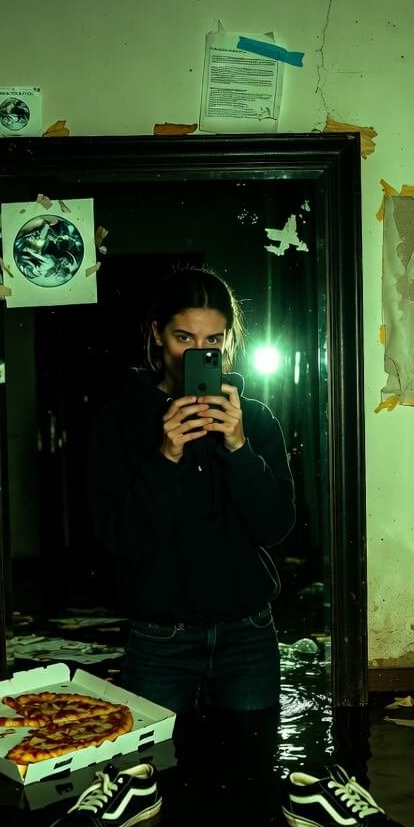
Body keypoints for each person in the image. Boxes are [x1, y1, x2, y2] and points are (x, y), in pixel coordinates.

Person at [86, 266, 296, 717]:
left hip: (248, 632)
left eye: (212, 342)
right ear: (157, 334)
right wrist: (165, 457)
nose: (197, 354)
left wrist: (239, 448)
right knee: (151, 772)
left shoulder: (255, 420)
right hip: (160, 637)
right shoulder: (119, 423)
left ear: (228, 341)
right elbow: (121, 538)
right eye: (184, 338)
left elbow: (275, 526)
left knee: (251, 763)